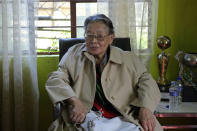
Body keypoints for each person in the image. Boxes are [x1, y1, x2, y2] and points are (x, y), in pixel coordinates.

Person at [46, 14, 162, 131]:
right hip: (87, 116)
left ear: (111, 38)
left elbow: (147, 81)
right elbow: (56, 78)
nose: (93, 41)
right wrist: (74, 100)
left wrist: (145, 108)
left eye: (100, 36)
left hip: (124, 116)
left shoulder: (128, 58)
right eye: (89, 35)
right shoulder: (74, 54)